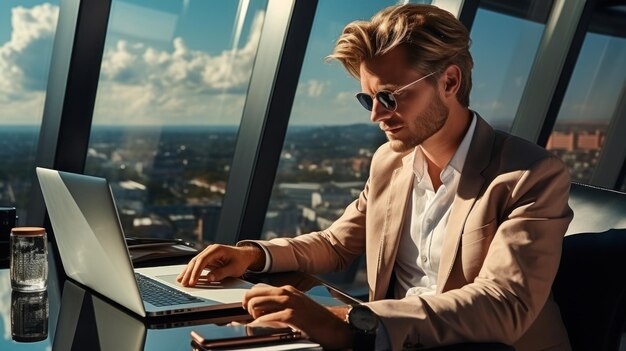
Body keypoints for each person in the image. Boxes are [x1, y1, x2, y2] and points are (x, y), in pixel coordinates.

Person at [178, 4, 573, 350]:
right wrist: (254, 255)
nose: (375, 116)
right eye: (368, 98)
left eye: (390, 96)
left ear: (449, 82)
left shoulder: (530, 175)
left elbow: (503, 304)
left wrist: (349, 321)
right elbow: (336, 244)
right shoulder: (390, 162)